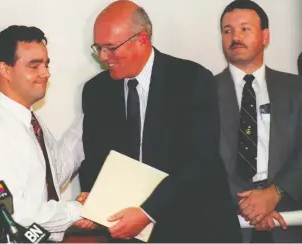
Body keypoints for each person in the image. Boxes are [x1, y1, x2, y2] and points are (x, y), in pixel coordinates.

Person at [78, 0, 242, 242]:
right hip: (127, 231)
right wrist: (91, 196)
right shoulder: (96, 91)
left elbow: (199, 161)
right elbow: (94, 158)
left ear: (142, 40)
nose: (104, 57)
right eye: (98, 48)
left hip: (194, 226)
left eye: (111, 48)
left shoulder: (192, 80)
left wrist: (147, 212)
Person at [0, 25, 91, 242]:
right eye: (34, 65)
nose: (46, 74)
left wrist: (92, 117)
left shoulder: (28, 120)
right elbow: (15, 214)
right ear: (5, 70)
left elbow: (54, 173)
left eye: (46, 64)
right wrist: (76, 210)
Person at [215, 1, 302, 242]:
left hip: (289, 218)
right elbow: (200, 158)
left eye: (245, 29)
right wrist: (250, 206)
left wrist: (274, 193)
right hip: (228, 221)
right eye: (227, 30)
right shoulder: (204, 93)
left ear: (265, 36)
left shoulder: (296, 89)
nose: (235, 37)